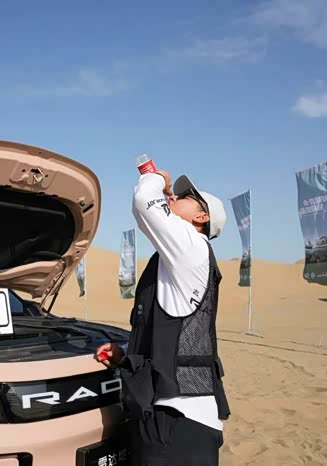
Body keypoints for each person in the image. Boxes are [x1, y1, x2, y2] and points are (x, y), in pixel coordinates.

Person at [97, 169, 230, 466]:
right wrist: (124, 358)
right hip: (176, 419)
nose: (174, 196)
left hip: (177, 421)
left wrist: (156, 177)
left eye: (185, 196)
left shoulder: (192, 245)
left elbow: (144, 199)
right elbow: (168, 334)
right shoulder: (177, 260)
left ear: (202, 217)